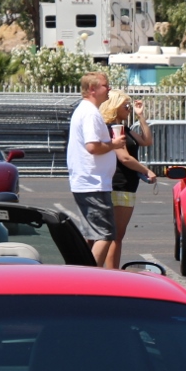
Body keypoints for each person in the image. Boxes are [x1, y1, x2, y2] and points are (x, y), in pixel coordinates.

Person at [66, 71, 125, 266]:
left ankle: (82, 272)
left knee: (92, 234)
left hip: (88, 181)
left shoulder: (85, 110)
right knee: (105, 234)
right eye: (105, 85)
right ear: (92, 89)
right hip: (93, 183)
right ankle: (91, 278)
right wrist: (115, 145)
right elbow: (92, 146)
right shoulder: (90, 113)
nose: (109, 89)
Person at [100, 90, 157, 269]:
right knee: (115, 236)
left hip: (128, 185)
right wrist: (146, 170)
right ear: (115, 107)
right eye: (126, 105)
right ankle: (111, 273)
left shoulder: (125, 129)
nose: (129, 109)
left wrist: (141, 117)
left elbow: (147, 141)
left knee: (117, 235)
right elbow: (123, 157)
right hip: (118, 184)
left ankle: (111, 272)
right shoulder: (111, 129)